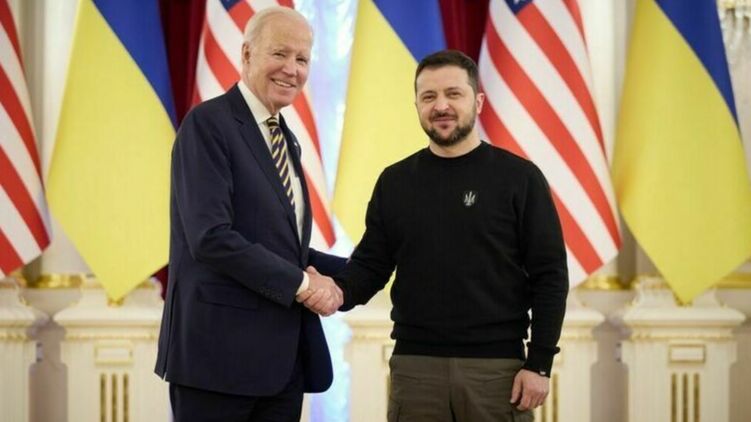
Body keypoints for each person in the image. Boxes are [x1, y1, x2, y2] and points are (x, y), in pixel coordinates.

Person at [316, 50, 569, 421]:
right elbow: (371, 266)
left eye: (454, 94)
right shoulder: (395, 182)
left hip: (498, 372)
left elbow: (550, 276)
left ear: (477, 102)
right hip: (415, 370)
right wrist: (334, 291)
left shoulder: (520, 178)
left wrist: (540, 362)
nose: (441, 106)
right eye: (429, 96)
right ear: (417, 105)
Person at [155, 7, 346, 422]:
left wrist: (366, 269)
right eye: (280, 53)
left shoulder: (285, 138)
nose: (292, 69)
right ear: (246, 54)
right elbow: (211, 237)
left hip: (280, 368)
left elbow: (282, 248)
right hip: (217, 363)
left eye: (302, 59)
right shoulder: (207, 125)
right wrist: (304, 286)